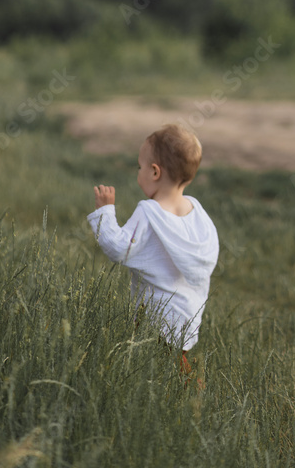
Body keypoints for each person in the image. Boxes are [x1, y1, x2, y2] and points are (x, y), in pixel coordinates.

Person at [87, 123, 219, 382]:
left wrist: (105, 212)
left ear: (155, 171)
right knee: (169, 358)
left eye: (140, 166)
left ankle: (192, 391)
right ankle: (177, 388)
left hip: (158, 312)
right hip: (189, 308)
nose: (139, 172)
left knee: (165, 362)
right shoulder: (196, 210)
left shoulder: (149, 212)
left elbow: (119, 249)